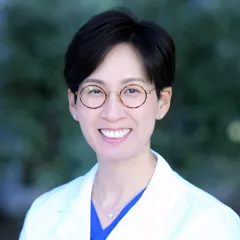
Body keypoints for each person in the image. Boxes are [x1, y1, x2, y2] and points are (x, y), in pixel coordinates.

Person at [19, 8, 240, 240]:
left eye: (132, 90)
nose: (112, 113)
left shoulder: (213, 226)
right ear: (74, 103)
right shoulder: (44, 215)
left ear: (162, 103)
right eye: (95, 91)